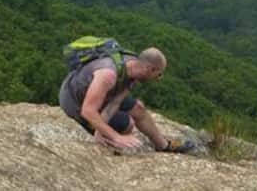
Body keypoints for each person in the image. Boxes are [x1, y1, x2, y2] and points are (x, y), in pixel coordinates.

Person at [59, 46, 194, 153]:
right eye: (158, 75)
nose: (158, 79)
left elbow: (115, 102)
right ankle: (112, 150)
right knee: (126, 124)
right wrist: (116, 137)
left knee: (138, 108)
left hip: (102, 94)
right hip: (75, 102)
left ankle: (163, 146)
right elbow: (88, 111)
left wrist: (99, 131)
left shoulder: (133, 68)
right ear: (149, 69)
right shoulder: (108, 75)